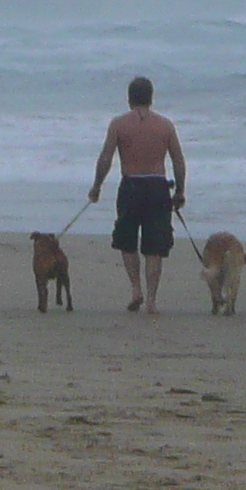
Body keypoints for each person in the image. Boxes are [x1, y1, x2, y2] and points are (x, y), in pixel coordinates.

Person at [88, 74, 187, 315]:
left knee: (127, 241)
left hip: (131, 185)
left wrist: (97, 186)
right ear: (151, 98)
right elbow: (178, 160)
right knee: (155, 247)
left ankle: (136, 289)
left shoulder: (119, 124)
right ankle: (151, 300)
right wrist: (180, 191)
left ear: (129, 98)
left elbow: (105, 159)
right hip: (157, 186)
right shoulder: (165, 125)